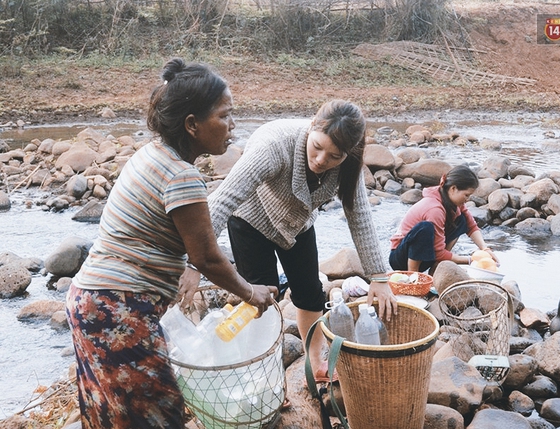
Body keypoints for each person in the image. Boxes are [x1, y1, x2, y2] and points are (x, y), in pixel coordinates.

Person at [65, 58, 277, 429]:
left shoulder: (153, 153)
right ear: (192, 125)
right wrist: (250, 293)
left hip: (91, 300)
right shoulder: (182, 176)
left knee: (111, 417)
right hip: (118, 309)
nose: (232, 126)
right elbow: (207, 259)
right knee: (157, 416)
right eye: (224, 116)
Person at [178, 99, 398, 382]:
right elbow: (222, 201)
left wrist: (379, 277)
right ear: (312, 127)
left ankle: (315, 359)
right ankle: (264, 375)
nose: (321, 161)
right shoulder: (275, 146)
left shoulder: (349, 162)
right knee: (260, 302)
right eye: (317, 147)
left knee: (310, 293)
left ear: (349, 153)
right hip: (250, 218)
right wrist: (194, 262)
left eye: (334, 157)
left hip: (297, 223)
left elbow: (360, 215)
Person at [389, 165, 498, 274]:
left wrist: (485, 249)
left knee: (462, 220)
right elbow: (438, 252)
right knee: (425, 228)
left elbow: (471, 226)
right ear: (453, 189)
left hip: (426, 255)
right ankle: (413, 275)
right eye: (466, 195)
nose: (467, 199)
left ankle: (437, 267)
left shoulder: (451, 199)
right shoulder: (434, 209)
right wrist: (472, 260)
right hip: (401, 258)